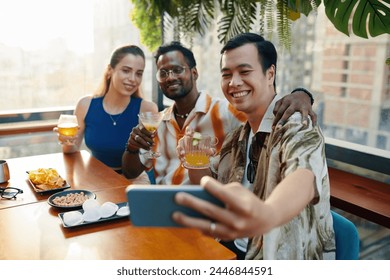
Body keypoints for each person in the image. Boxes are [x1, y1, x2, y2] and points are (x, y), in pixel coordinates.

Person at [173, 33, 336, 260]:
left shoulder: (297, 124)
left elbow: (304, 177)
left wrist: (269, 213)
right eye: (227, 74)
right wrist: (193, 159)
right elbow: (208, 184)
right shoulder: (236, 138)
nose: (234, 82)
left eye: (245, 71)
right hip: (232, 249)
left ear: (270, 74)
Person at [122, 41, 316, 185]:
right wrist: (131, 147)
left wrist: (302, 94)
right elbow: (131, 171)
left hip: (208, 214)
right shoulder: (159, 121)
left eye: (177, 70)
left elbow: (266, 113)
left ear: (194, 73)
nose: (170, 77)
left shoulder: (228, 110)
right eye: (163, 73)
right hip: (166, 212)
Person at [55, 45, 158, 177]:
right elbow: (71, 151)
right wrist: (66, 141)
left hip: (133, 181)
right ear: (110, 70)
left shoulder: (147, 109)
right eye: (126, 71)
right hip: (95, 179)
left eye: (139, 73)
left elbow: (149, 157)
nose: (133, 79)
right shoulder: (85, 105)